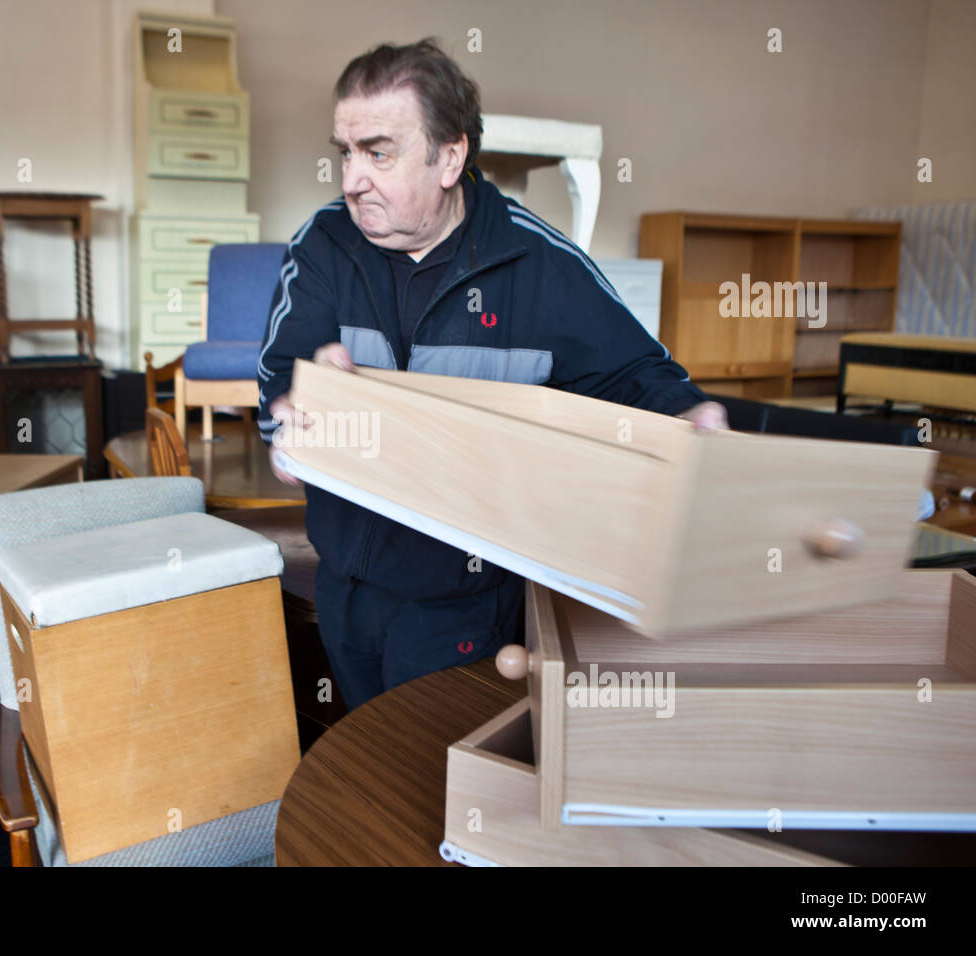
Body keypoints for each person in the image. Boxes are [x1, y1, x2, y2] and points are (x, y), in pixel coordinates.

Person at [256, 40, 728, 711]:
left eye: (379, 152)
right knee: (359, 754)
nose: (351, 179)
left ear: (450, 156)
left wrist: (690, 417)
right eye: (345, 152)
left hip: (463, 601)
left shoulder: (540, 264)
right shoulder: (324, 243)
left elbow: (639, 377)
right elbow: (280, 377)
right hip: (344, 580)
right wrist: (291, 411)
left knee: (432, 774)